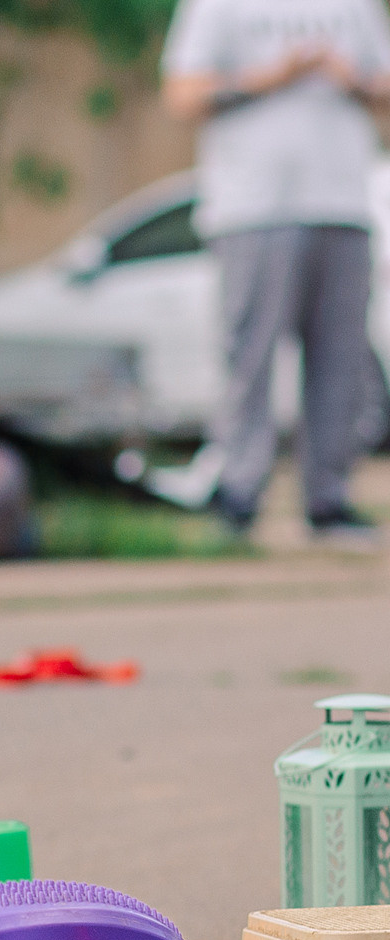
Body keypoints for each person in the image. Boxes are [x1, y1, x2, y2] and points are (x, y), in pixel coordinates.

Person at [163, 0, 390, 544]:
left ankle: (328, 502)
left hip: (343, 204)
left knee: (341, 363)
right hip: (253, 208)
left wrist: (352, 79)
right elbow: (182, 95)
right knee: (250, 357)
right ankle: (239, 498)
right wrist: (271, 77)